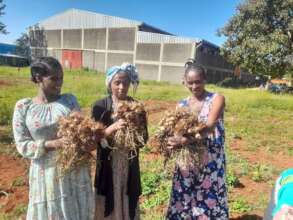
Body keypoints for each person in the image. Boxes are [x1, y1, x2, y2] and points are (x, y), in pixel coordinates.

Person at [12, 57, 120, 220]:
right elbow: (22, 144)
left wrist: (93, 135)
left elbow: (81, 133)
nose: (59, 83)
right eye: (53, 78)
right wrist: (52, 144)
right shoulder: (24, 107)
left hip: (73, 170)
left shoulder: (69, 100)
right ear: (38, 78)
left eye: (61, 77)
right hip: (46, 174)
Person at [166, 60, 228, 219]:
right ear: (185, 82)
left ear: (205, 80)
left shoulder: (217, 99)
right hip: (187, 160)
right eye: (190, 83)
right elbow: (176, 130)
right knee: (185, 195)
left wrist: (185, 140)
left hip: (210, 159)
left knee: (209, 195)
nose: (194, 87)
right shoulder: (182, 104)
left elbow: (209, 126)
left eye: (198, 82)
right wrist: (171, 141)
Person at [92, 63, 148, 220]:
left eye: (126, 82)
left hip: (128, 164)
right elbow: (95, 138)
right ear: (109, 83)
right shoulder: (100, 106)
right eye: (117, 82)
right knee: (108, 198)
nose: (122, 87)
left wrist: (135, 131)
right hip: (108, 163)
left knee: (127, 197)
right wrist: (114, 127)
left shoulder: (137, 107)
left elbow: (144, 139)